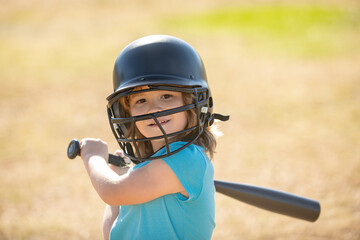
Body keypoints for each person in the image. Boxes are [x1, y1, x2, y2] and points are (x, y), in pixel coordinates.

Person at [79, 35, 229, 240]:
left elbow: (112, 191)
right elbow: (113, 233)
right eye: (141, 100)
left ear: (192, 102)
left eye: (166, 96)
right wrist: (122, 174)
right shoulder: (146, 173)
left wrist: (93, 157)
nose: (153, 109)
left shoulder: (187, 160)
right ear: (127, 113)